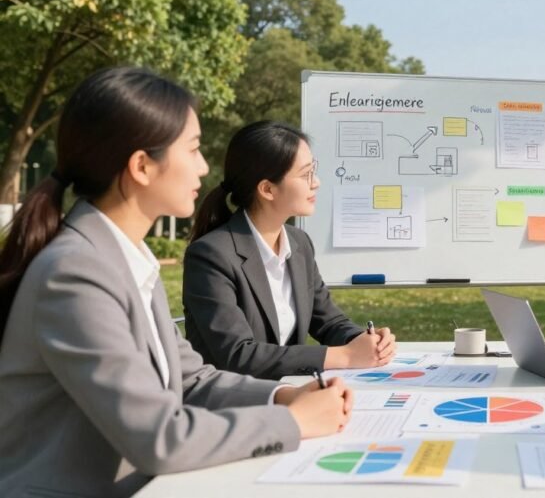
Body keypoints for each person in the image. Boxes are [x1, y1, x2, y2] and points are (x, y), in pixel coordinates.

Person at [0, 68, 353, 498]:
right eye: (194, 149)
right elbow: (158, 438)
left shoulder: (121, 259)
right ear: (142, 166)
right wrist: (295, 422)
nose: (205, 167)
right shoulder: (75, 274)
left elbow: (193, 380)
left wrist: (284, 397)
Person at [183, 121, 397, 380]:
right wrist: (346, 356)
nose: (316, 182)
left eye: (313, 170)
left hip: (289, 393)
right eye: (306, 174)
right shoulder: (211, 255)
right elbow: (238, 355)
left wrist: (365, 340)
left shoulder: (299, 243)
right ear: (267, 189)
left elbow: (327, 321)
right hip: (229, 404)